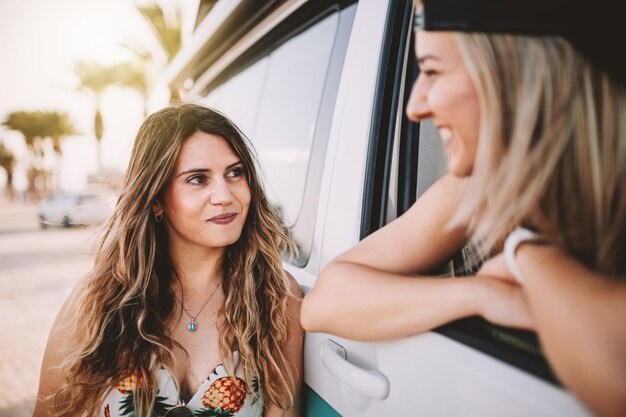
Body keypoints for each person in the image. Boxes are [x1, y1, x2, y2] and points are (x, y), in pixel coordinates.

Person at [301, 1, 626, 416]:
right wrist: (482, 294)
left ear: (517, 77)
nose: (415, 107)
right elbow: (323, 303)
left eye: (432, 71)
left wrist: (527, 254)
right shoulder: (481, 187)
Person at [33, 104, 303, 417]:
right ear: (157, 199)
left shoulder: (277, 297)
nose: (224, 195)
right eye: (198, 179)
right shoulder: (96, 301)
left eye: (235, 172)